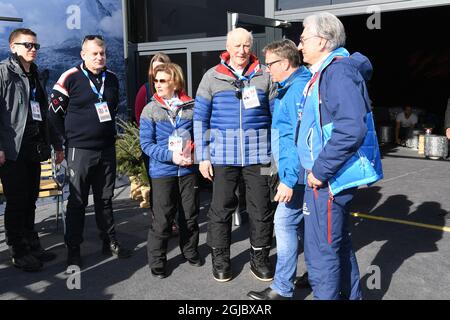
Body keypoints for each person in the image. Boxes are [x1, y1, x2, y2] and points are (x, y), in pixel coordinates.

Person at [297, 12, 383, 300]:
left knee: (323, 254)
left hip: (329, 181)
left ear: (322, 41)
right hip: (329, 179)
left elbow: (350, 128)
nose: (299, 45)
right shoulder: (327, 72)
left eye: (303, 38)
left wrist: (320, 171)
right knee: (337, 246)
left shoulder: (336, 72)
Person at [194, 28, 275, 282]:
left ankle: (259, 257)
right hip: (223, 156)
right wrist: (203, 156)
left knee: (261, 208)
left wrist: (277, 155)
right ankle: (221, 258)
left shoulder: (264, 75)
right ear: (228, 47)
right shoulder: (211, 77)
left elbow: (277, 119)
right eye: (237, 46)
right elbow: (200, 118)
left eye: (247, 45)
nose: (242, 50)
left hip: (259, 155)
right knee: (220, 209)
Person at [48, 35, 132, 269]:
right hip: (80, 150)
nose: (99, 57)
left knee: (105, 199)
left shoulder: (112, 79)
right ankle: (74, 250)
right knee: (77, 202)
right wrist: (61, 144)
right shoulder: (70, 78)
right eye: (94, 53)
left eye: (102, 53)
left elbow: (112, 109)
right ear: (83, 55)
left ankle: (110, 241)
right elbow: (53, 115)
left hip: (106, 149)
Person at [247, 39, 311, 300]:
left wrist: (288, 178)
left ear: (285, 63)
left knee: (283, 222)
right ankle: (316, 275)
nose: (266, 69)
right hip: (300, 175)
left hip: (297, 177)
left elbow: (297, 140)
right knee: (307, 227)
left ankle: (283, 289)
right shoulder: (292, 86)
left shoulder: (295, 91)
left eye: (270, 64)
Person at [0, 28, 56, 272]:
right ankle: (18, 250)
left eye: (35, 46)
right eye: (27, 45)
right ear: (13, 47)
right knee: (16, 201)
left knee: (31, 198)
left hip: (34, 146)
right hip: (12, 148)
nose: (33, 49)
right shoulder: (3, 72)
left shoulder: (34, 74)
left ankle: (32, 245)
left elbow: (41, 111)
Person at [140, 63, 200, 279]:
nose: (158, 85)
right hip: (162, 172)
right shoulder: (150, 109)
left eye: (163, 80)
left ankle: (190, 251)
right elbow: (146, 145)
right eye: (156, 81)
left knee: (190, 215)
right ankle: (157, 261)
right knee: (163, 219)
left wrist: (194, 154)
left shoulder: (191, 107)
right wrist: (171, 156)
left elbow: (201, 137)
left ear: (176, 82)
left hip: (187, 171)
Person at [134, 53, 179, 236]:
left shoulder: (176, 93)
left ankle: (174, 218)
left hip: (175, 146)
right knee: (157, 184)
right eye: (155, 67)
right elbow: (138, 116)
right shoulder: (145, 90)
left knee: (174, 184)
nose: (157, 71)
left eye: (162, 66)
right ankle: (159, 218)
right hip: (154, 146)